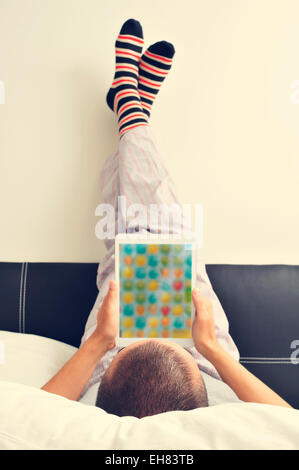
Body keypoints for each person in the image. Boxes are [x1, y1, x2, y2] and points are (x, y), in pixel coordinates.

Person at [41, 19, 291, 416]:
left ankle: (129, 103)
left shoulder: (89, 415)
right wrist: (207, 349)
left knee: (136, 238)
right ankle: (130, 108)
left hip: (127, 362)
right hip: (201, 366)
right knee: (140, 237)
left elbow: (29, 412)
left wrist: (101, 345)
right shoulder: (222, 415)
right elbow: (287, 424)